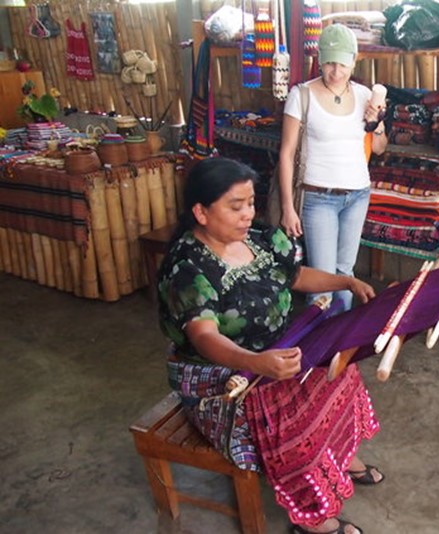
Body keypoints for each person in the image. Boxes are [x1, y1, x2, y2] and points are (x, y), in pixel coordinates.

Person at [157, 158, 383, 534]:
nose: (248, 214)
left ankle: (338, 456)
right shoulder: (188, 269)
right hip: (224, 377)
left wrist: (344, 282)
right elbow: (205, 336)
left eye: (250, 203)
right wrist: (256, 363)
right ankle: (312, 516)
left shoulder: (257, 239)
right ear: (201, 211)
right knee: (287, 415)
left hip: (276, 349)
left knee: (338, 369)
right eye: (236, 206)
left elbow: (294, 276)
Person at [278, 23, 387, 311]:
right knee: (323, 280)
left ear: (354, 61)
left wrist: (375, 124)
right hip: (318, 197)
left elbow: (378, 147)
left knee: (345, 273)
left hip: (358, 194)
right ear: (320, 60)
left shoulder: (366, 96)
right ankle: (320, 348)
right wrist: (289, 208)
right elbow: (286, 154)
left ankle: (339, 348)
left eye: (342, 64)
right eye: (329, 64)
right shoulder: (301, 95)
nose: (335, 72)